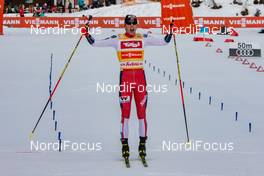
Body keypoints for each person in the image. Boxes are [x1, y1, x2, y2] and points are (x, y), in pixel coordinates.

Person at [82, 15, 172, 160]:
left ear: (137, 25)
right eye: (129, 24)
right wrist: (86, 33)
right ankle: (125, 145)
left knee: (142, 114)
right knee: (126, 114)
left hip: (140, 80)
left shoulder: (143, 37)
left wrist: (170, 31)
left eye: (134, 24)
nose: (131, 27)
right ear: (125, 26)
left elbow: (164, 41)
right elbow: (95, 43)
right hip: (125, 79)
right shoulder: (117, 39)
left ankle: (142, 145)